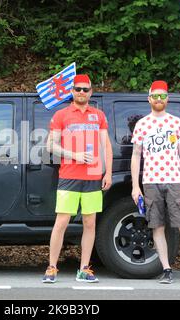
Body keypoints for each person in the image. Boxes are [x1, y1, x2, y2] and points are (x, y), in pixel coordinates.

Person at [130, 80, 180, 284]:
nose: (159, 99)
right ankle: (167, 269)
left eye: (162, 96)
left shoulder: (175, 122)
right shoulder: (142, 124)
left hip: (174, 181)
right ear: (149, 99)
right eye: (155, 96)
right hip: (151, 182)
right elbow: (136, 156)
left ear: (167, 99)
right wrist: (136, 186)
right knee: (157, 226)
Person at [42, 74, 113, 283]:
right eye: (78, 89)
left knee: (90, 223)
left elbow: (106, 146)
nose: (81, 92)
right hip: (69, 175)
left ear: (91, 92)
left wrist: (108, 172)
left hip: (93, 176)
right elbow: (50, 146)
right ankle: (52, 267)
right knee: (61, 221)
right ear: (72, 91)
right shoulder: (61, 115)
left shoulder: (98, 115)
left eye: (85, 89)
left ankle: (84, 269)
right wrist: (75, 156)